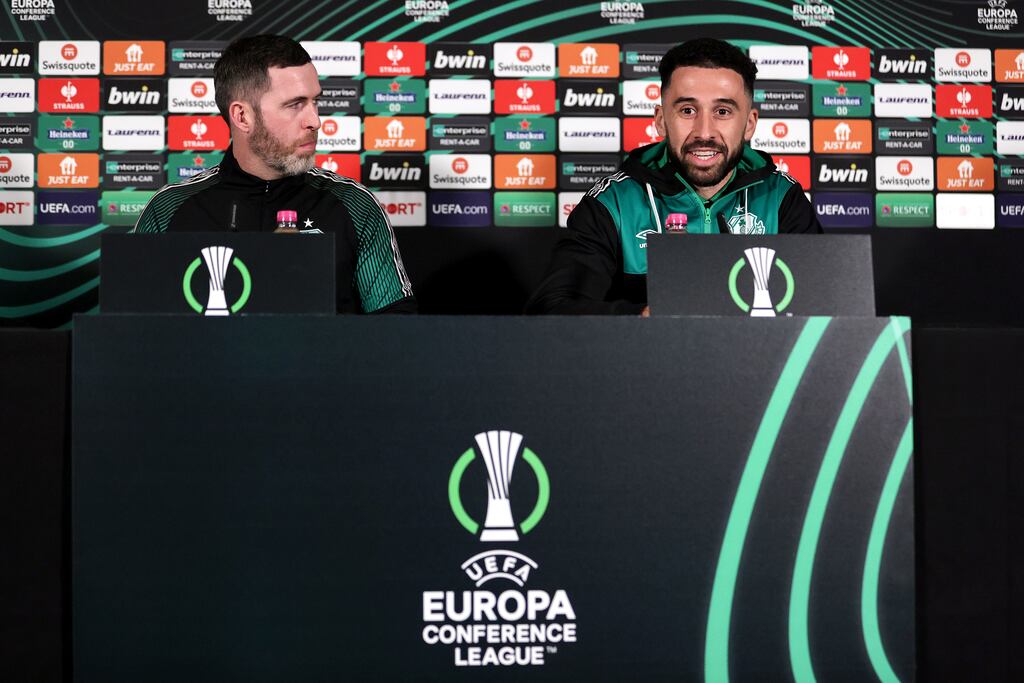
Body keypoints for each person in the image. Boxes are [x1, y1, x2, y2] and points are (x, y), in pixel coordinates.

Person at [526, 38, 821, 315]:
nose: (704, 132)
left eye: (722, 111)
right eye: (688, 110)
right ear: (661, 120)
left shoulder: (781, 198)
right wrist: (645, 320)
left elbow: (825, 308)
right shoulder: (614, 202)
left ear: (749, 124)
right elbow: (551, 309)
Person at [132, 35, 415, 314]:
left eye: (315, 102)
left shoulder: (355, 205)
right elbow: (129, 327)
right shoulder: (168, 210)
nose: (315, 121)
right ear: (242, 117)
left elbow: (397, 329)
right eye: (295, 105)